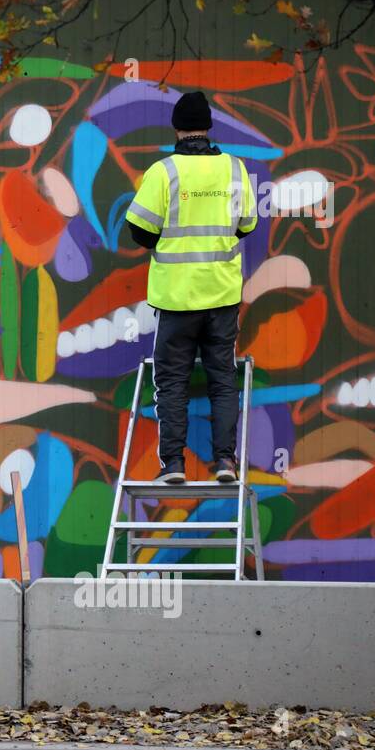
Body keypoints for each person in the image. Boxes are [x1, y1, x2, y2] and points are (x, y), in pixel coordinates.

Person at [123, 91, 257, 485]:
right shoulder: (234, 170)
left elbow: (140, 231)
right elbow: (247, 226)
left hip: (177, 297)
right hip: (221, 295)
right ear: (208, 127)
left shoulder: (163, 172)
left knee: (172, 381)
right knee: (221, 379)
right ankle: (225, 463)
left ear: (177, 128)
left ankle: (173, 465)